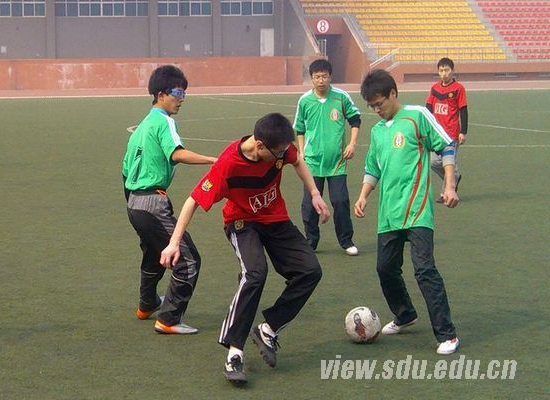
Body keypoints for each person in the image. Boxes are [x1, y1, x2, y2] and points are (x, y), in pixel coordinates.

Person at [160, 113, 330, 384]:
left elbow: (298, 160)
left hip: (275, 219)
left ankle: (268, 329)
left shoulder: (279, 148)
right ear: (259, 146)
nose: (283, 156)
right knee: (255, 273)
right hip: (241, 222)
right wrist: (173, 242)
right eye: (278, 152)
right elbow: (193, 200)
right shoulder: (228, 164)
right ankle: (234, 353)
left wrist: (315, 194)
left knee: (310, 271)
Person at [354, 69, 460, 355]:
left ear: (393, 94)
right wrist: (363, 196)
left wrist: (449, 185)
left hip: (417, 210)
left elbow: (446, 145)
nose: (377, 110)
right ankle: (405, 314)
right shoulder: (377, 132)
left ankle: (447, 335)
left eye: (379, 104)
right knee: (385, 269)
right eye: (372, 107)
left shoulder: (416, 116)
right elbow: (373, 168)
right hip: (388, 214)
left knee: (424, 270)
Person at [122, 65, 216, 335]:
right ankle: (169, 319)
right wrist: (213, 160)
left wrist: (134, 204)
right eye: (177, 92)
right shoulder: (164, 121)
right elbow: (177, 154)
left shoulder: (142, 126)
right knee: (188, 259)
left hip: (134, 203)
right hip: (152, 203)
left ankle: (147, 304)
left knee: (153, 254)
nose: (181, 99)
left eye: (184, 93)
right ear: (161, 94)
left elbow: (126, 170)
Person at [293, 59, 361, 255]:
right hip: (312, 162)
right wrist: (302, 151)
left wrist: (352, 144)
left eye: (324, 76)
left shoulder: (341, 97)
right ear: (311, 78)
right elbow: (300, 129)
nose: (321, 80)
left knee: (340, 201)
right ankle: (310, 242)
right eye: (317, 77)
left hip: (337, 162)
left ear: (330, 77)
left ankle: (346, 241)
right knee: (309, 205)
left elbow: (355, 120)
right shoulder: (305, 101)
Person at [425, 57, 468, 203]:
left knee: (449, 163)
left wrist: (463, 132)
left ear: (452, 71)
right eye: (441, 70)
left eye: (446, 70)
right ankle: (453, 178)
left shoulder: (458, 89)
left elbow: (463, 110)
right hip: (436, 134)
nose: (444, 73)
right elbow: (428, 108)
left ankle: (445, 194)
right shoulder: (434, 88)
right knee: (434, 163)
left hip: (451, 134)